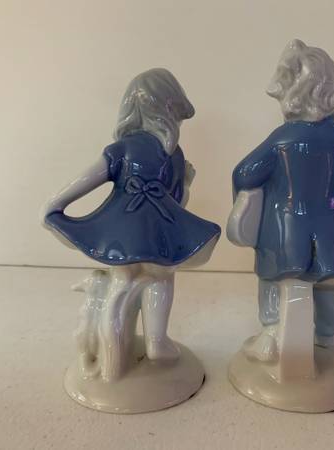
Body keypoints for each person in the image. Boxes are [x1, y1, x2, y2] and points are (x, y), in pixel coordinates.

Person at [42, 69, 220, 370]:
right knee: (161, 278)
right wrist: (187, 182)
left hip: (120, 233)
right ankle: (156, 341)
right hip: (158, 233)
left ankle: (112, 347)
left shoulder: (121, 149)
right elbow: (178, 204)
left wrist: (55, 204)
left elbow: (87, 179)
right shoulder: (173, 154)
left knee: (121, 281)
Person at [227, 39, 334, 361]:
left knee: (274, 281)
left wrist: (246, 206)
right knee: (332, 288)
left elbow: (244, 173)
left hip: (284, 231)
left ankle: (272, 333)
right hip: (332, 230)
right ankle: (330, 338)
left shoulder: (283, 139)